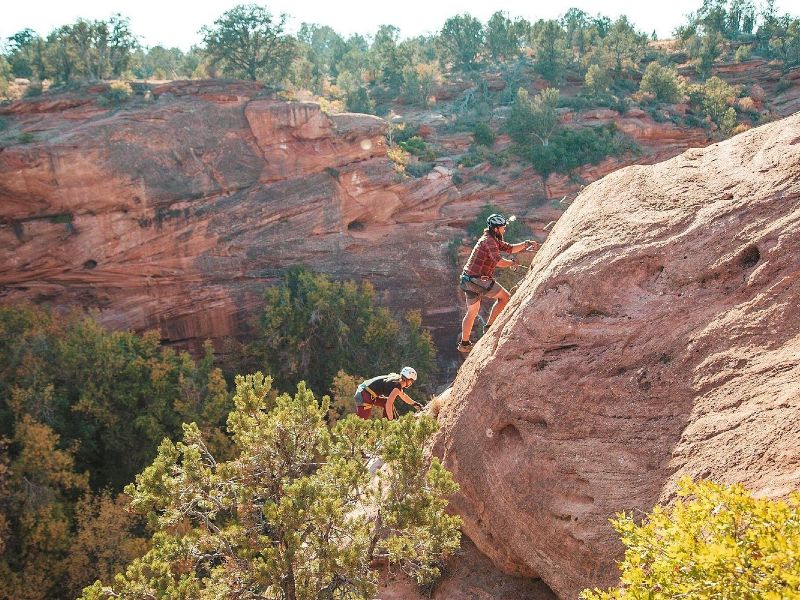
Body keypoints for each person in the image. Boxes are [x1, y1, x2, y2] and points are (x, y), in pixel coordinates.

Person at [458, 213, 539, 353]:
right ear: (496, 229)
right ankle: (489, 328)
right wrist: (511, 263)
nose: (504, 230)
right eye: (502, 228)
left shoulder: (491, 239)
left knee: (472, 311)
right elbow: (499, 261)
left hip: (467, 279)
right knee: (505, 297)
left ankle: (464, 344)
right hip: (478, 279)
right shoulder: (489, 241)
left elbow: (510, 248)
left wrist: (526, 244)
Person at [354, 366, 423, 420]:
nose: (411, 383)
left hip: (365, 391)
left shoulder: (397, 380)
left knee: (385, 402)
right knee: (360, 423)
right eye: (412, 381)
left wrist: (414, 404)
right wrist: (391, 420)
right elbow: (389, 404)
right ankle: (390, 424)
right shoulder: (397, 386)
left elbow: (403, 396)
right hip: (364, 395)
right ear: (407, 379)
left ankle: (390, 424)